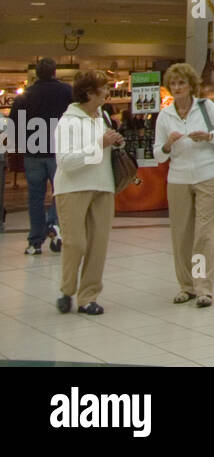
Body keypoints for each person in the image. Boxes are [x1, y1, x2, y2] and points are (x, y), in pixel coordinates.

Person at [154, 63, 214, 308]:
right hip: (177, 179)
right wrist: (167, 145)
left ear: (191, 85)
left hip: (207, 174)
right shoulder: (165, 115)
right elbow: (158, 154)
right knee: (181, 236)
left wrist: (209, 136)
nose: (177, 88)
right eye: (173, 84)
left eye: (181, 83)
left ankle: (203, 287)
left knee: (203, 234)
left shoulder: (206, 107)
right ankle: (185, 286)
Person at [52, 70, 120, 315]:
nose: (108, 91)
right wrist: (99, 145)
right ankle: (67, 289)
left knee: (98, 245)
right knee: (75, 243)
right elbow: (66, 161)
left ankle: (88, 297)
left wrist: (113, 142)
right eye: (104, 87)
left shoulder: (103, 117)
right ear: (90, 92)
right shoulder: (68, 121)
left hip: (103, 186)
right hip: (72, 188)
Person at [13, 56, 71, 255]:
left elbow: (14, 126)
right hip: (58, 151)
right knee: (60, 192)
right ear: (55, 72)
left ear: (36, 74)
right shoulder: (66, 92)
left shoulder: (26, 96)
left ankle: (35, 242)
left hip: (33, 152)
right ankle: (54, 225)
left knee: (35, 197)